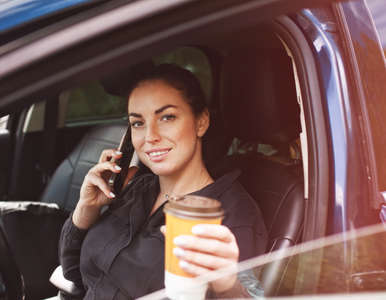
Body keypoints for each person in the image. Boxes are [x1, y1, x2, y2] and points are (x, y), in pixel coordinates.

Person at [59, 64, 267, 299]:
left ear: (201, 122)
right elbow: (74, 273)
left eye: (167, 117)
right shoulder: (137, 189)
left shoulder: (231, 216)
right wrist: (86, 209)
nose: (150, 137)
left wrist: (228, 286)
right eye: (138, 123)